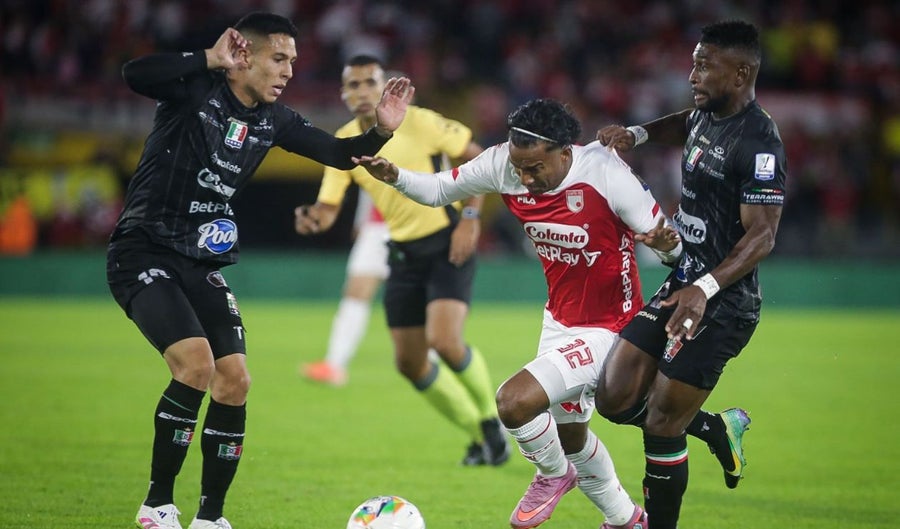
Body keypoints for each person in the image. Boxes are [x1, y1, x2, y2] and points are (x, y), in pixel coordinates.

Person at [107, 14, 413, 529]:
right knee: (195, 365)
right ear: (243, 56)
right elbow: (134, 74)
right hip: (143, 252)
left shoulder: (274, 120)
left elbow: (340, 155)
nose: (289, 70)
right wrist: (207, 57)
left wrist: (381, 129)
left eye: (292, 60)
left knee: (235, 380)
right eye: (279, 58)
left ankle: (210, 518)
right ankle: (157, 506)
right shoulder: (196, 89)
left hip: (200, 261)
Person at [353, 98, 676, 528]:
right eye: (519, 167)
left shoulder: (606, 173)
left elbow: (675, 250)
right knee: (571, 437)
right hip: (558, 321)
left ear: (565, 152)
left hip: (613, 328)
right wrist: (396, 176)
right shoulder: (502, 163)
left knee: (514, 402)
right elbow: (439, 189)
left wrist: (666, 247)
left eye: (535, 168)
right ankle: (627, 520)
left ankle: (553, 475)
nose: (524, 178)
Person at [594, 20, 787, 529]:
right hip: (684, 281)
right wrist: (637, 134)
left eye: (705, 65)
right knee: (613, 396)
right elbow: (685, 122)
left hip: (723, 304)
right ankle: (715, 429)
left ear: (741, 73)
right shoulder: (707, 113)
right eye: (693, 63)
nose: (692, 74)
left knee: (661, 422)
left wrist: (703, 289)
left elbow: (763, 236)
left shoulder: (759, 143)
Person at [294, 55, 509, 467]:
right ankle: (480, 437)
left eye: (369, 83)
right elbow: (328, 206)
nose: (361, 92)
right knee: (410, 363)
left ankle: (489, 420)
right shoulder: (343, 142)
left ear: (384, 87)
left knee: (445, 342)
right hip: (402, 253)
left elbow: (477, 156)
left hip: (446, 243)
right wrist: (313, 218)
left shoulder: (421, 122)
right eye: (352, 85)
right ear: (342, 95)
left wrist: (470, 218)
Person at [301, 189, 388, 386]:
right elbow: (368, 185)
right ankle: (334, 365)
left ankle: (434, 363)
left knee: (418, 295)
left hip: (417, 225)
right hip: (376, 226)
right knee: (355, 293)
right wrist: (361, 221)